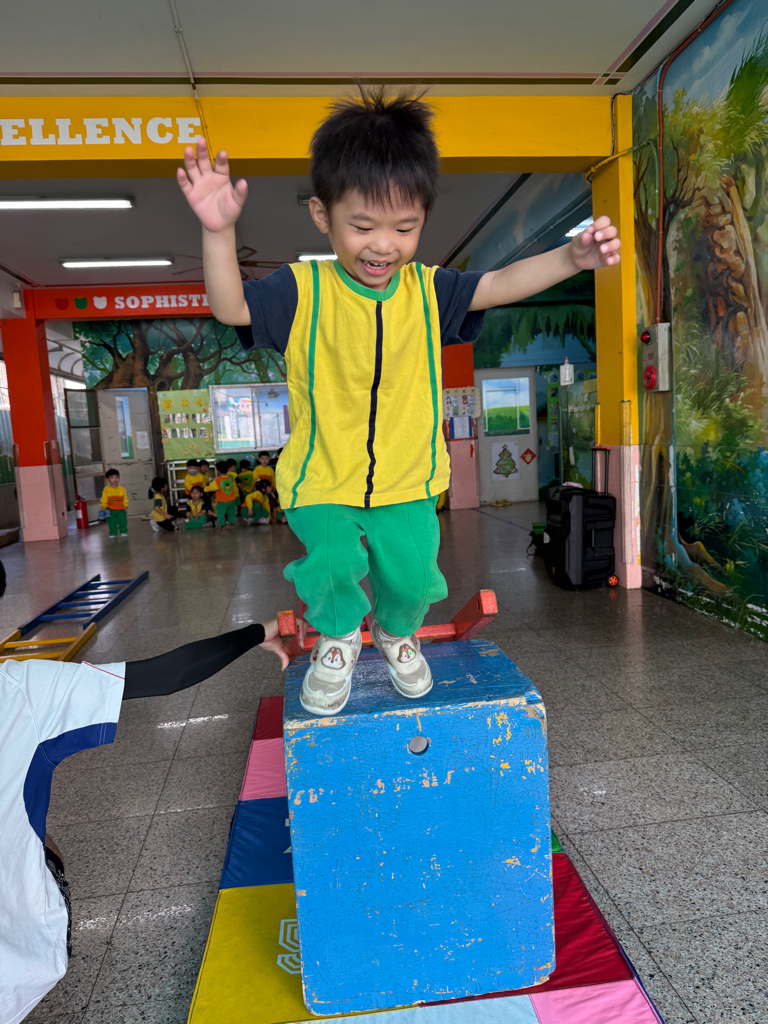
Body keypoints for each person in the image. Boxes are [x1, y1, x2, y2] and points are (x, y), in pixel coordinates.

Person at [177, 89, 620, 716]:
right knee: (331, 568)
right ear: (321, 215)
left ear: (422, 221)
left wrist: (572, 257)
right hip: (322, 477)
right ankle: (337, 640)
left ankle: (394, 632)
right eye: (362, 226)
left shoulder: (428, 290)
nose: (383, 245)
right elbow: (230, 307)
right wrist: (218, 231)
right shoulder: (302, 290)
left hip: (409, 479)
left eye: (404, 228)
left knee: (412, 580)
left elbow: (499, 283)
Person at [0, 558, 288, 1024]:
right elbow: (167, 674)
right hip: (15, 955)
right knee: (41, 840)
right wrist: (261, 631)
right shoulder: (18, 690)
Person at [204, 460, 239, 528]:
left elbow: (211, 488)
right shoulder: (229, 479)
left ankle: (221, 524)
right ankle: (232, 522)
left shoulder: (217, 480)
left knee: (220, 513)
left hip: (222, 501)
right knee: (231, 512)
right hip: (231, 500)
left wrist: (205, 488)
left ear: (218, 471)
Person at [99, 469, 128, 539]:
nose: (115, 480)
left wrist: (125, 505)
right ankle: (113, 532)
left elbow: (125, 498)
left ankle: (123, 532)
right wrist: (104, 506)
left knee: (123, 521)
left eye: (117, 477)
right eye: (112, 478)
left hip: (121, 509)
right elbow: (104, 498)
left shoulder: (122, 489)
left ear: (119, 478)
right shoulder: (106, 489)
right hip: (110, 510)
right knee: (111, 522)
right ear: (107, 479)